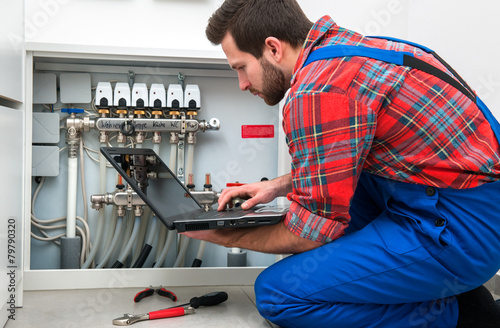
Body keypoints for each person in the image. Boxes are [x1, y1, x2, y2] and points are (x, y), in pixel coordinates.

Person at [182, 0, 500, 326]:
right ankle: (428, 284)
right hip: (471, 206)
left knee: (278, 294)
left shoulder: (315, 92)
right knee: (338, 211)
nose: (243, 84)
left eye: (240, 68)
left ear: (273, 49)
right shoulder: (352, 50)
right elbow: (345, 154)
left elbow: (310, 236)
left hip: (463, 232)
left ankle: (461, 314)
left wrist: (223, 235)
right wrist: (274, 187)